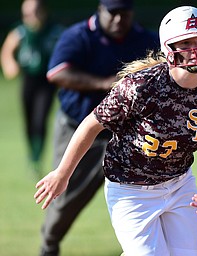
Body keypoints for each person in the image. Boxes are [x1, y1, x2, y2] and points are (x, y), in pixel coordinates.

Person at [35, 5, 197, 256]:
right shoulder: (141, 86)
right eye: (186, 42)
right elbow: (91, 124)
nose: (196, 49)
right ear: (169, 49)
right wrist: (62, 173)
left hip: (180, 184)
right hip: (130, 189)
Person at [37, 0, 159, 255]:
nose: (118, 19)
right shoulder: (79, 36)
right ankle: (49, 244)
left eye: (124, 13)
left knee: (154, 187)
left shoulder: (143, 38)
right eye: (112, 13)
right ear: (100, 10)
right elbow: (57, 73)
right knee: (65, 193)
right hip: (78, 128)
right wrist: (105, 84)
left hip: (126, 133)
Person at [0, 0, 63, 175]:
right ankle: (31, 155)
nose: (30, 17)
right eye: (26, 13)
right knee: (28, 121)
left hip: (47, 81)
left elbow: (66, 50)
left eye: (33, 12)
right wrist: (9, 65)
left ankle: (37, 158)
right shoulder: (20, 31)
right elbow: (7, 51)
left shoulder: (54, 31)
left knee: (40, 119)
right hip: (28, 79)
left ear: (42, 12)